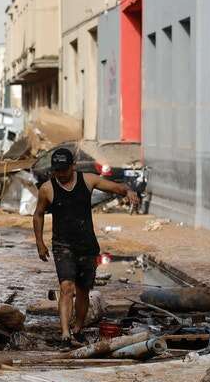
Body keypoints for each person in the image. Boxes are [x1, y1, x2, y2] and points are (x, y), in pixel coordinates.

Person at [33, 147, 140, 344]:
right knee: (66, 287)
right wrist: (39, 242)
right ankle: (65, 333)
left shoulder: (88, 180)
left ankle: (77, 328)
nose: (61, 174)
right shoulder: (47, 189)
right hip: (62, 245)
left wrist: (129, 191)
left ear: (73, 166)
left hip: (87, 246)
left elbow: (115, 187)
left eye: (64, 170)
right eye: (57, 170)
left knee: (83, 291)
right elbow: (38, 214)